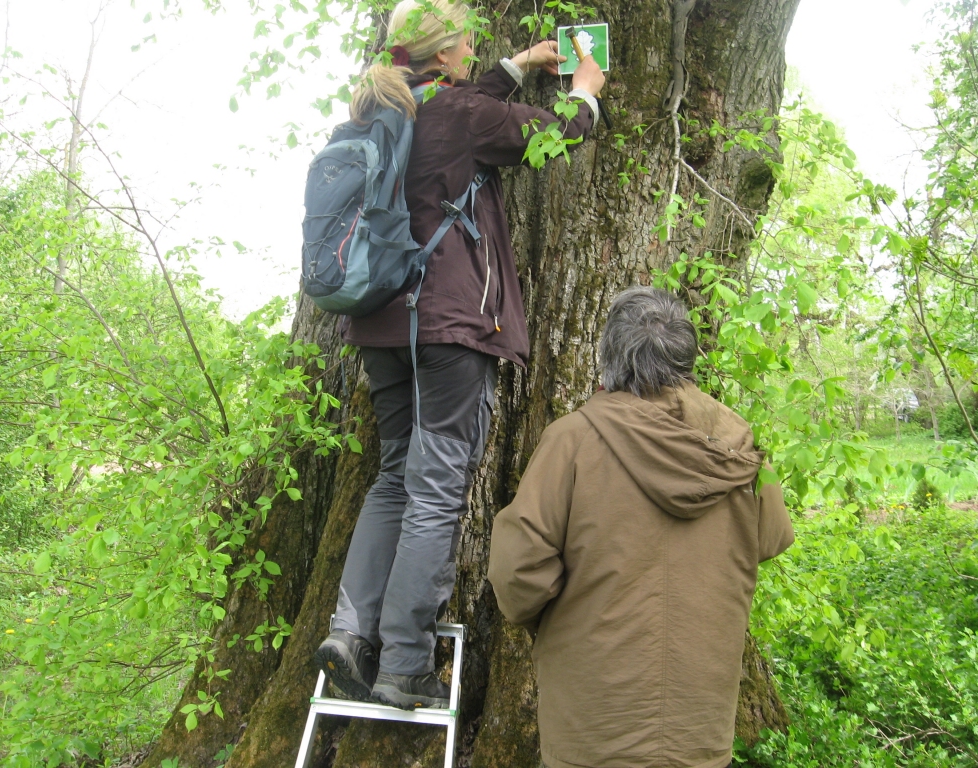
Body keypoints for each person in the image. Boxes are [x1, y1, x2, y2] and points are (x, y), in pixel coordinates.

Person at [312, 0, 607, 711]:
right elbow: (554, 135)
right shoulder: (460, 115)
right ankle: (404, 663)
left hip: (379, 324)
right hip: (447, 325)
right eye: (468, 43)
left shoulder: (381, 110)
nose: (475, 50)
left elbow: (466, 106)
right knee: (437, 488)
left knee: (393, 478)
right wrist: (584, 92)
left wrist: (520, 65)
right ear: (443, 55)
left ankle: (349, 633)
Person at [487, 287, 796, 768]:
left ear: (611, 358)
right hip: (699, 726)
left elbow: (517, 574)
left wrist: (552, 623)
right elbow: (773, 538)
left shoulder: (571, 441)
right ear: (687, 357)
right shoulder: (741, 447)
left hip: (593, 726)